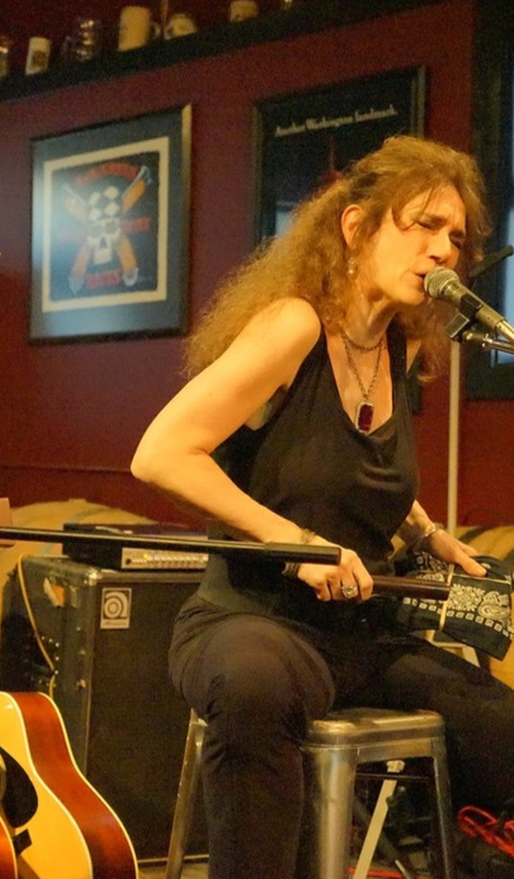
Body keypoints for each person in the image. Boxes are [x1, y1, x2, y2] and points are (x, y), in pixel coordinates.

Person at [131, 135, 514, 879]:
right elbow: (161, 453)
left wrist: (427, 533)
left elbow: (345, 469)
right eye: (423, 226)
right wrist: (296, 543)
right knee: (253, 685)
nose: (443, 250)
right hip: (254, 619)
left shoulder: (399, 349)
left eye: (455, 236)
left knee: (496, 725)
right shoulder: (293, 326)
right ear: (356, 227)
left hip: (360, 633)